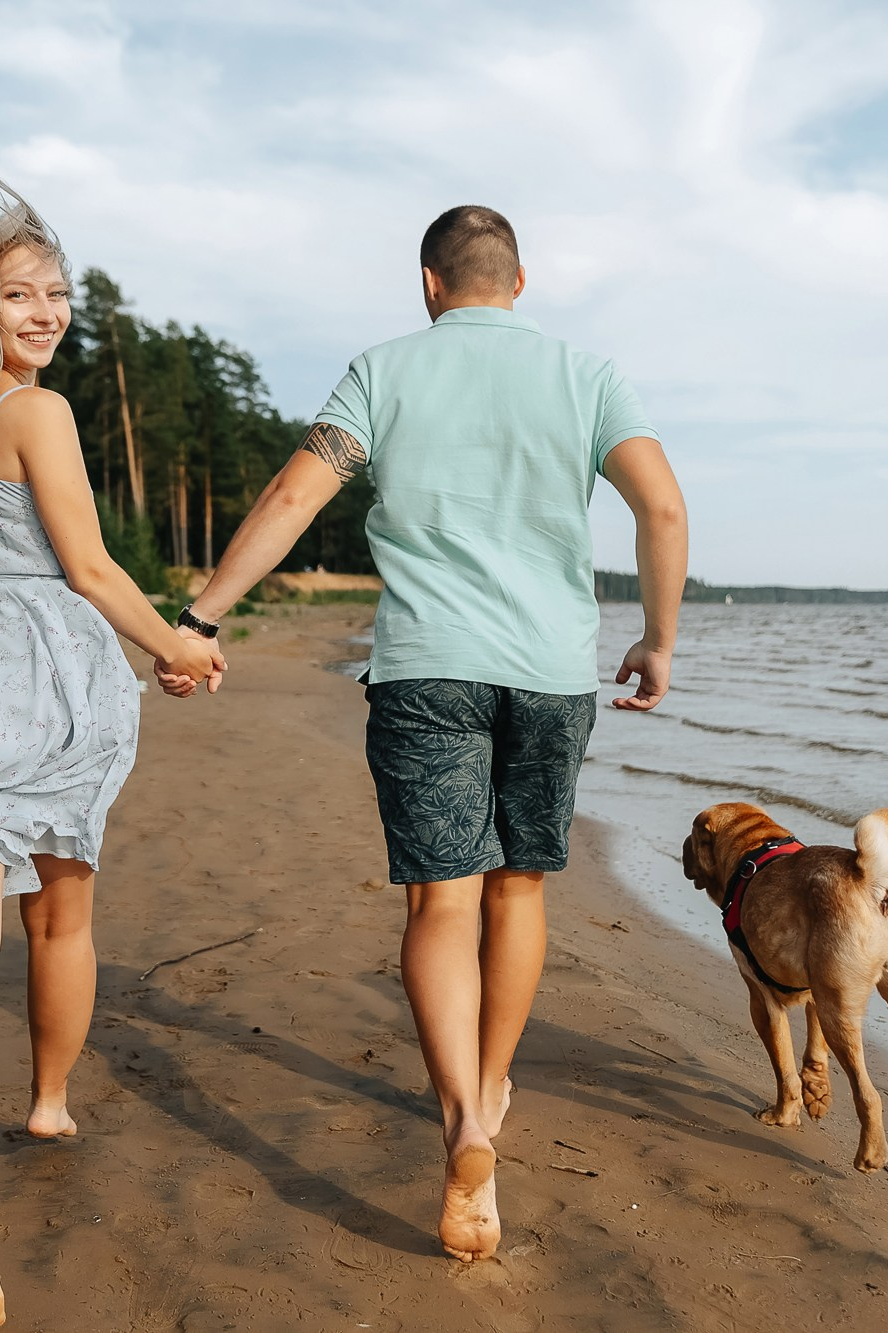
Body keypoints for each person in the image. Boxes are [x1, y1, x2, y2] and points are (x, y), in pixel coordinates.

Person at [163, 205, 687, 1261]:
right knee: (520, 886)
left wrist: (201, 614)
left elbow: (294, 490)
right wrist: (656, 640)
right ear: (519, 283)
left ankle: (456, 1121)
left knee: (439, 898)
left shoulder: (382, 369)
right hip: (547, 673)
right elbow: (661, 511)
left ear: (428, 283)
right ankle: (488, 1094)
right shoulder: (588, 375)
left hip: (426, 669)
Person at [0, 166, 223, 1333]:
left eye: (58, 292)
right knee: (58, 912)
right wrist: (182, 646)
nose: (48, 313)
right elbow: (89, 569)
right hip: (44, 670)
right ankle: (49, 1104)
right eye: (21, 295)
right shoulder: (39, 412)